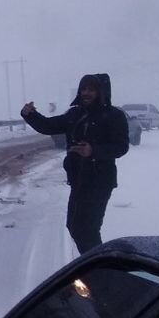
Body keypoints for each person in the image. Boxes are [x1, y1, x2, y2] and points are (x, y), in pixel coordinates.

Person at [21, 73, 130, 254]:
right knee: (74, 226)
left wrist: (93, 151)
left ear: (101, 92)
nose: (86, 93)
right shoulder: (75, 114)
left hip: (99, 182)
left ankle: (98, 271)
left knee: (86, 230)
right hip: (78, 179)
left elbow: (121, 147)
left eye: (91, 89)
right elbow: (49, 126)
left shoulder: (113, 115)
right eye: (83, 89)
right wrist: (31, 115)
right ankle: (96, 267)